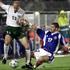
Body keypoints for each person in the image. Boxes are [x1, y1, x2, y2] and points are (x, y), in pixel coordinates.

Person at [0, 0, 32, 68]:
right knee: (6, 42)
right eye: (15, 5)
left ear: (19, 5)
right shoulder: (8, 7)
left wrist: (23, 23)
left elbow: (25, 22)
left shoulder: (22, 11)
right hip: (10, 29)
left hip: (18, 30)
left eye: (17, 5)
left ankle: (28, 63)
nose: (16, 7)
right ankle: (5, 57)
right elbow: (1, 4)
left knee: (27, 46)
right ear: (13, 4)